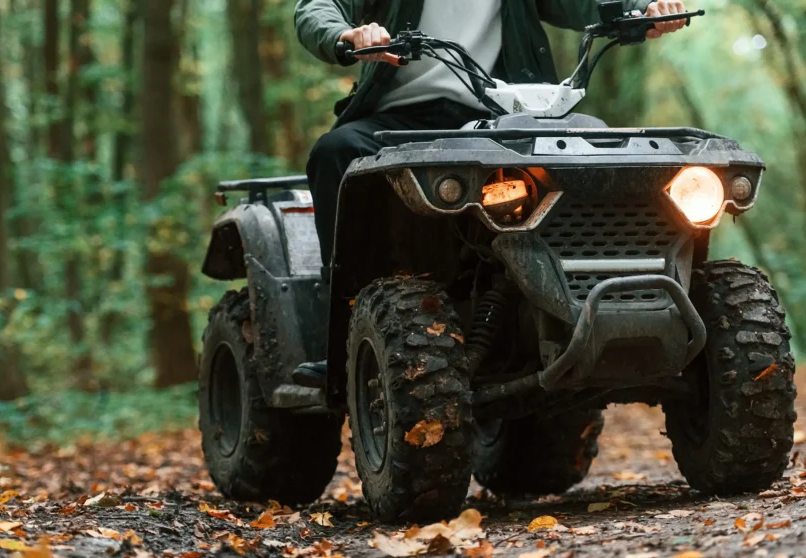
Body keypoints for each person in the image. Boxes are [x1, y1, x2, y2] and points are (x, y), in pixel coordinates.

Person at [291, 0, 689, 388]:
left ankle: (613, 312)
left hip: (503, 114)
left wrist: (641, 8)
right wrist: (346, 34)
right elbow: (318, 6)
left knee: (597, 153)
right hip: (402, 115)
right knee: (336, 152)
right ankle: (349, 338)